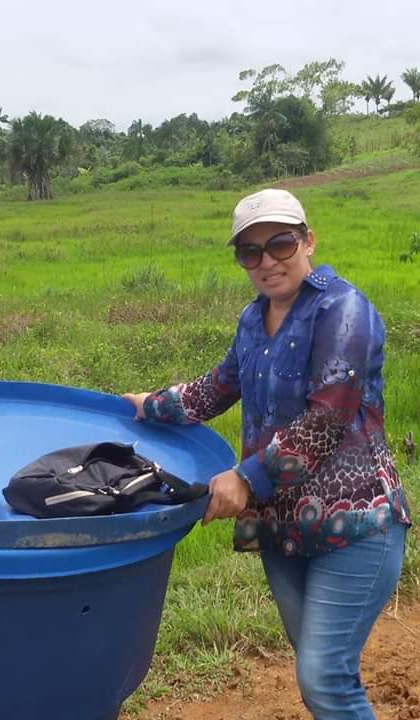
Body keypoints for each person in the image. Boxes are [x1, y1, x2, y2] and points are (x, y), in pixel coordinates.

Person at [123, 188, 411, 720]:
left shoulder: (343, 309)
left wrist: (246, 479)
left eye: (279, 243)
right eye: (249, 252)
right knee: (321, 672)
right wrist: (153, 405)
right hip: (284, 526)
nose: (266, 262)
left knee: (324, 679)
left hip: (356, 524)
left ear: (307, 240)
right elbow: (219, 386)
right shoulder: (254, 320)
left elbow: (328, 415)